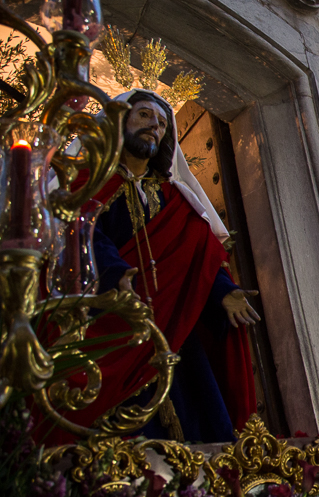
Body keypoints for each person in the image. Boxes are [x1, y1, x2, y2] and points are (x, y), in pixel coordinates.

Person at [50, 89, 258, 444]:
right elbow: (80, 231)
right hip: (109, 325)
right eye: (145, 115)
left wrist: (225, 291)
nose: (155, 126)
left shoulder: (175, 197)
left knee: (199, 429)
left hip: (172, 331)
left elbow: (200, 254)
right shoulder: (90, 182)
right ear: (119, 121)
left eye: (162, 123)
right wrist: (115, 274)